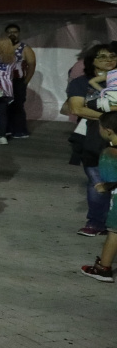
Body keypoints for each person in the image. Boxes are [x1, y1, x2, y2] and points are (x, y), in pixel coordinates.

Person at [66, 43, 117, 237]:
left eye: (112, 56)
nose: (109, 60)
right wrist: (109, 116)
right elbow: (77, 108)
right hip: (92, 139)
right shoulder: (81, 83)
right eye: (102, 57)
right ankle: (96, 222)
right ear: (92, 61)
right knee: (97, 181)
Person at [79, 111, 117, 281]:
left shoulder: (109, 153)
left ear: (108, 131)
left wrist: (102, 187)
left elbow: (112, 180)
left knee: (114, 232)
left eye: (99, 127)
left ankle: (103, 268)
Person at [5, 23, 37, 139]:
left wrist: (25, 82)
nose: (12, 34)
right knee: (5, 106)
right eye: (9, 32)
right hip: (4, 82)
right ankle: (7, 129)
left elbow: (31, 65)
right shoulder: (2, 48)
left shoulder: (25, 48)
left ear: (18, 34)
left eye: (15, 32)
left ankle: (20, 131)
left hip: (17, 81)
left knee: (18, 106)